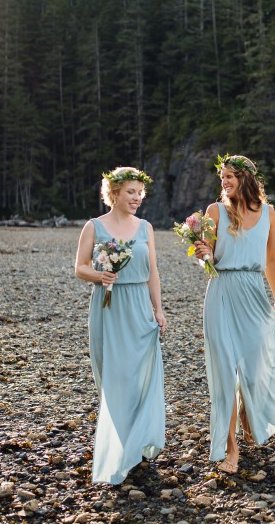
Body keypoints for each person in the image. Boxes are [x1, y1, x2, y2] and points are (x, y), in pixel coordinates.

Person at [193, 154, 275, 475]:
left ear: (247, 177)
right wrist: (202, 252)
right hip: (221, 292)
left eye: (231, 176)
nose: (225, 181)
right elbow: (205, 253)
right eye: (222, 177)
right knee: (224, 371)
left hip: (253, 294)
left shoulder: (269, 214)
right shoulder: (215, 211)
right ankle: (230, 445)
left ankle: (248, 414)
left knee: (253, 368)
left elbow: (271, 259)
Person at [74, 166, 167, 484]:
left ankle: (136, 443)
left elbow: (152, 271)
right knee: (114, 377)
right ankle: (119, 442)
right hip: (108, 309)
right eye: (131, 192)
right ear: (113, 193)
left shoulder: (146, 228)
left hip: (140, 306)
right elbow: (80, 268)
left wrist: (159, 310)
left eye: (141, 193)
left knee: (139, 376)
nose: (137, 198)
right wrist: (101, 275)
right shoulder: (94, 227)